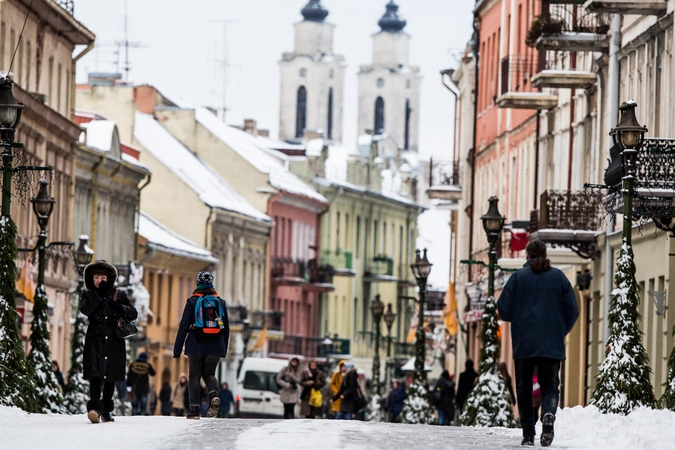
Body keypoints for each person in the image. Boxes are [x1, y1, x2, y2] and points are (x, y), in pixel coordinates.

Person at [497, 239, 579, 447]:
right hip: (552, 344)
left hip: (524, 344)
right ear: (545, 255)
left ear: (527, 256)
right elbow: (573, 311)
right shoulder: (559, 278)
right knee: (550, 386)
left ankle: (527, 435)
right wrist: (560, 331)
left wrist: (520, 316)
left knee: (524, 388)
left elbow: (503, 310)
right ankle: (548, 414)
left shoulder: (517, 278)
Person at [80, 260, 138, 424]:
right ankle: (94, 409)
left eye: (103, 276)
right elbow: (85, 309)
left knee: (109, 376)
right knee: (95, 375)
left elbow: (133, 313)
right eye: (96, 276)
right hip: (95, 340)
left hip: (113, 340)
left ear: (109, 278)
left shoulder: (118, 294)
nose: (99, 280)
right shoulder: (88, 294)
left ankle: (106, 410)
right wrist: (98, 295)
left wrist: (119, 307)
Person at [173, 271, 230, 420]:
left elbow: (184, 326)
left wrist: (177, 350)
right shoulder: (221, 302)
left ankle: (194, 410)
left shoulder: (192, 301)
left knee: (195, 375)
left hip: (196, 344)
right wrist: (224, 348)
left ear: (198, 283)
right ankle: (213, 395)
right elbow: (226, 328)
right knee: (209, 374)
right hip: (216, 345)